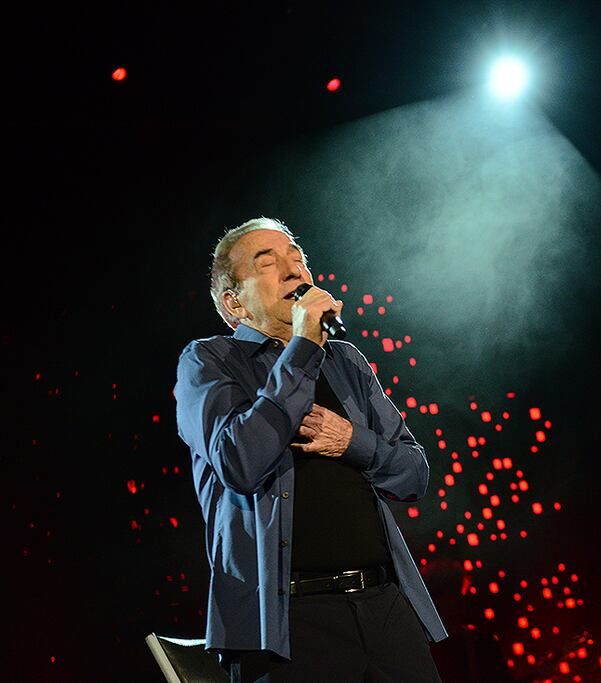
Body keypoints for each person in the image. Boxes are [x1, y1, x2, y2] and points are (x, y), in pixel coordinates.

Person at [174, 217, 447, 682]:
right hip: (288, 625)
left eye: (297, 258)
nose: (293, 269)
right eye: (269, 263)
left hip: (383, 607)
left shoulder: (346, 362)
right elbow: (239, 461)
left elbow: (413, 474)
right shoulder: (210, 360)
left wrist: (353, 442)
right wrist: (300, 347)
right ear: (234, 302)